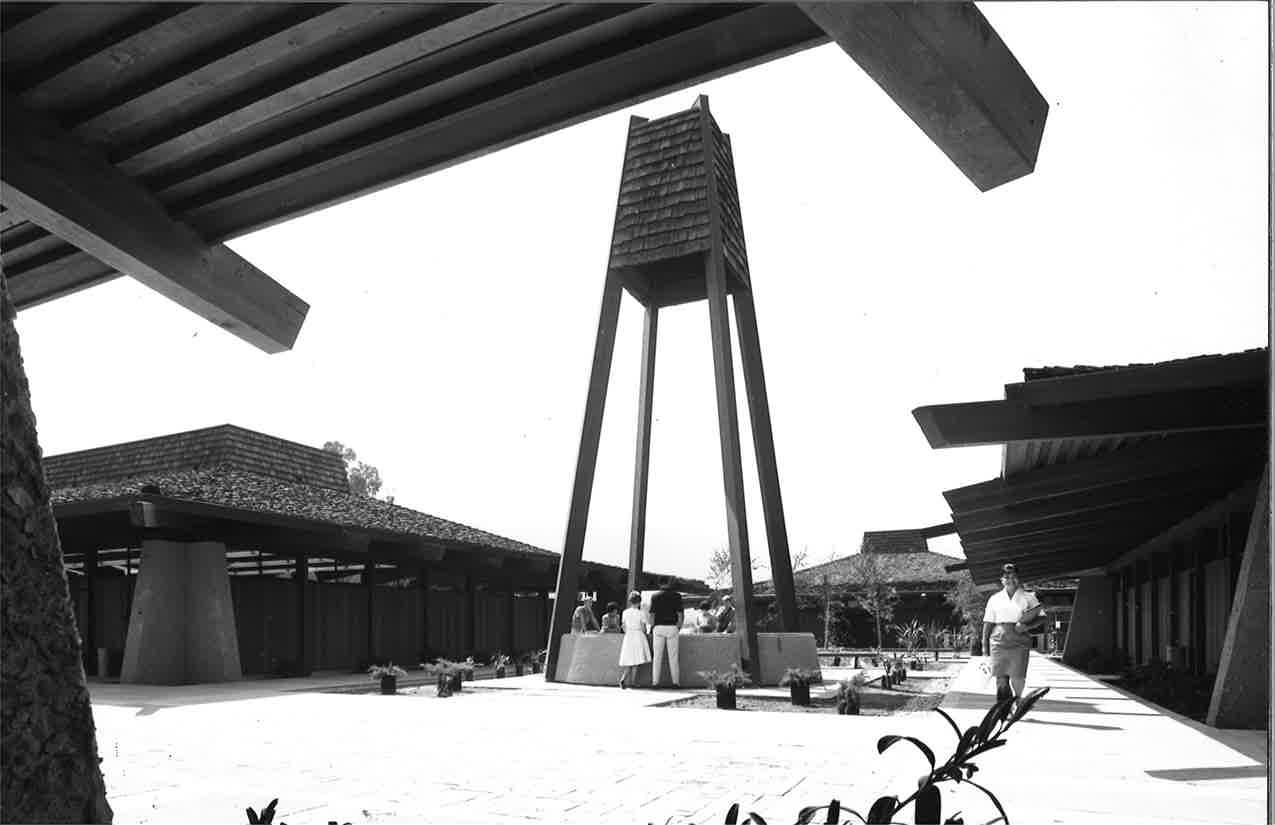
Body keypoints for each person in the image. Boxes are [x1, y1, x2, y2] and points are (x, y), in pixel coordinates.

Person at [982, 563, 1046, 703]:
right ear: (1001, 580)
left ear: (1019, 578)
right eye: (1006, 577)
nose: (1010, 580)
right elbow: (987, 623)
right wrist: (984, 648)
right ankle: (1003, 708)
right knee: (1001, 678)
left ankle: (1017, 700)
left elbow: (1042, 617)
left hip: (1020, 641)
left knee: (1018, 677)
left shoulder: (1028, 597)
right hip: (998, 640)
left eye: (1014, 576)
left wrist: (1027, 626)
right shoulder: (994, 598)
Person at [649, 578, 684, 687]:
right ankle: (675, 682)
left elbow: (652, 615)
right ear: (669, 583)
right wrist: (678, 627)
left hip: (658, 627)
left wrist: (653, 626)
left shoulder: (655, 596)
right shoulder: (677, 596)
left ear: (660, 584)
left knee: (657, 657)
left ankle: (655, 682)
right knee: (673, 657)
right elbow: (680, 615)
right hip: (672, 627)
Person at [618, 591, 651, 688]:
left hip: (628, 636)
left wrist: (627, 631)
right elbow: (643, 627)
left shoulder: (625, 612)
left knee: (630, 660)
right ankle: (633, 682)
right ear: (639, 602)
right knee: (636, 660)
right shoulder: (641, 613)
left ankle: (624, 678)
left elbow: (623, 626)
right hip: (638, 635)